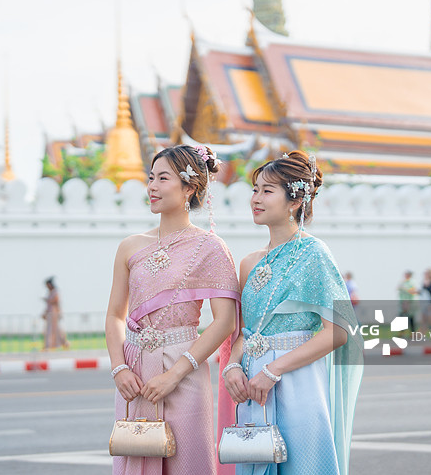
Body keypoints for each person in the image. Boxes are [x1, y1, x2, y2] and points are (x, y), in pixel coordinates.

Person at [222, 150, 362, 475]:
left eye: (267, 190)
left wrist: (274, 370)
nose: (255, 198)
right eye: (254, 189)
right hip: (252, 385)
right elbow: (246, 333)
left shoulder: (315, 254)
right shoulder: (248, 263)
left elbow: (337, 331)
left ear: (295, 201)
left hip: (298, 382)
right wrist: (231, 366)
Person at [106, 145, 239, 475]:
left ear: (189, 187)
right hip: (136, 372)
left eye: (162, 178)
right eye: (150, 178)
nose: (151, 186)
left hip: (185, 369)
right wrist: (119, 369)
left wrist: (176, 373)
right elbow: (114, 316)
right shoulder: (130, 246)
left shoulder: (211, 248)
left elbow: (224, 322)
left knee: (188, 461)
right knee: (135, 453)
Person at [42, 277, 69, 350]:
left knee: (55, 330)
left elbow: (55, 300)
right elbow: (48, 306)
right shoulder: (49, 292)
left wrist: (47, 300)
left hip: (54, 313)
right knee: (51, 330)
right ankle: (48, 345)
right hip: (50, 313)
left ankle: (63, 343)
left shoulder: (55, 292)